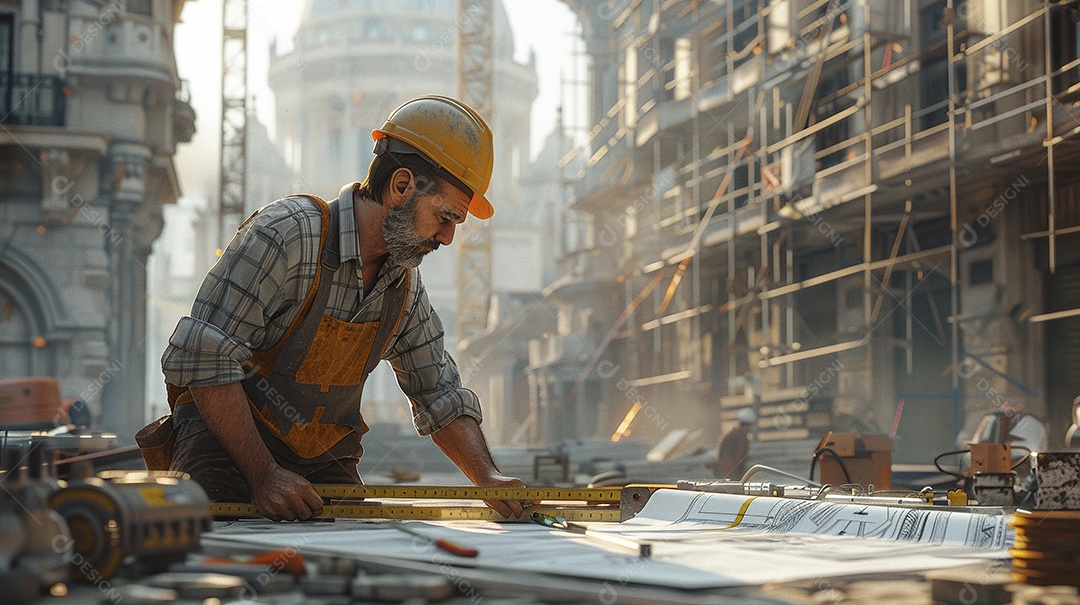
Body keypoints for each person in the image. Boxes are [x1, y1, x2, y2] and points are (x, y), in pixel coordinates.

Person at [144, 95, 524, 522]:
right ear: (401, 188)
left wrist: (488, 477)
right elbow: (201, 356)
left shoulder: (402, 287)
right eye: (445, 218)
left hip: (319, 460)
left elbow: (438, 393)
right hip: (225, 453)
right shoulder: (287, 236)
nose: (449, 238)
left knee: (350, 557)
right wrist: (264, 475)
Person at [716, 408, 755, 480]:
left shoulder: (730, 433)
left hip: (724, 467)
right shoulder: (742, 436)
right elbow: (740, 455)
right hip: (733, 469)